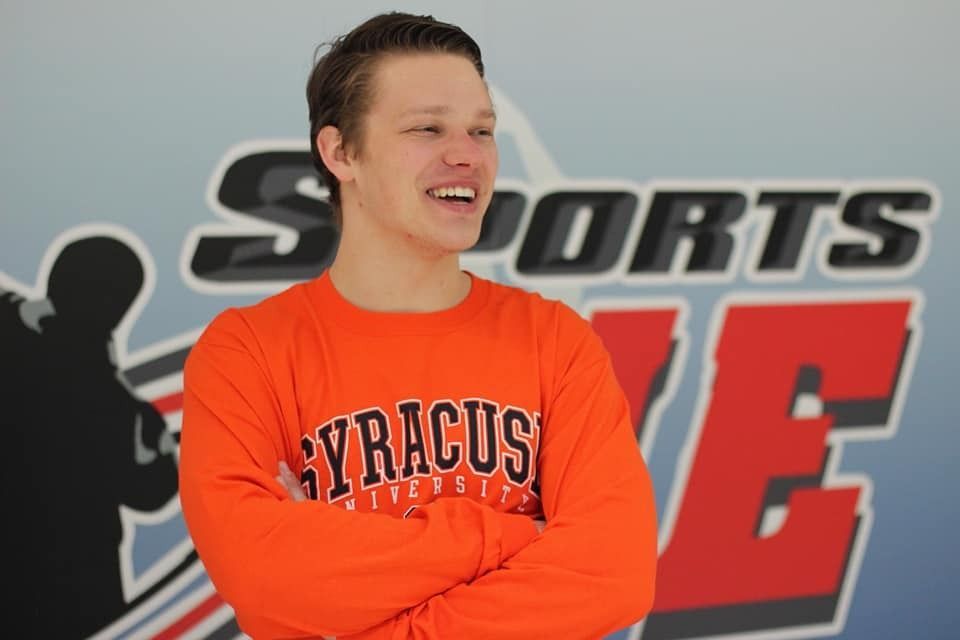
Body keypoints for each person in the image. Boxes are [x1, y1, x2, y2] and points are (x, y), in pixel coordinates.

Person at [179, 11, 657, 639]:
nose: (466, 155)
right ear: (341, 152)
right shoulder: (247, 352)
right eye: (427, 128)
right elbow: (267, 579)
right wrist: (514, 538)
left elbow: (613, 575)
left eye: (482, 131)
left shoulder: (555, 340)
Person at [2, 235, 179, 637]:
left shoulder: (18, 346)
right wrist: (166, 456)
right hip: (81, 575)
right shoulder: (107, 394)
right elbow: (145, 489)